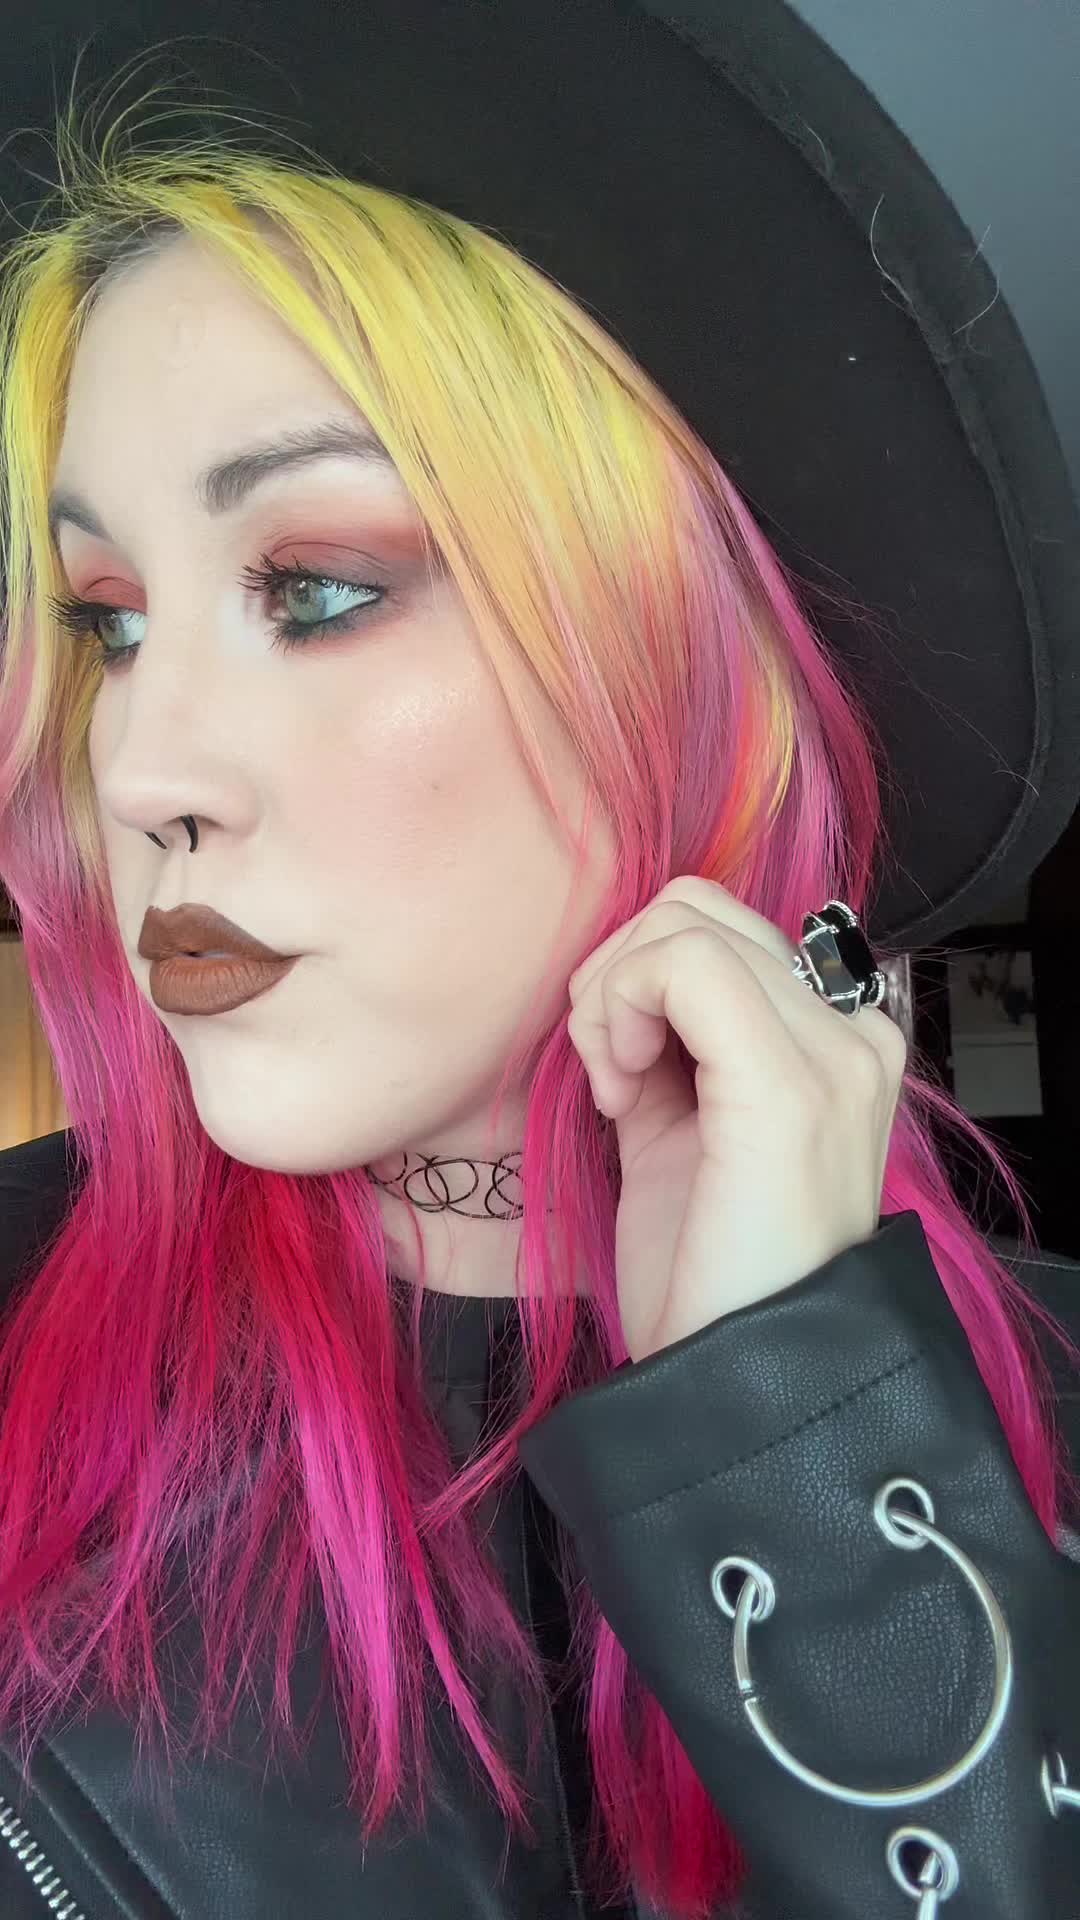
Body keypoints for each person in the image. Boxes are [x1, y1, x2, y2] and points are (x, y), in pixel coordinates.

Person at [1, 15, 1080, 1919]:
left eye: (318, 589)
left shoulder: (1040, 1417)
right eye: (112, 624)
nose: (144, 771)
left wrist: (809, 1438)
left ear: (684, 672)